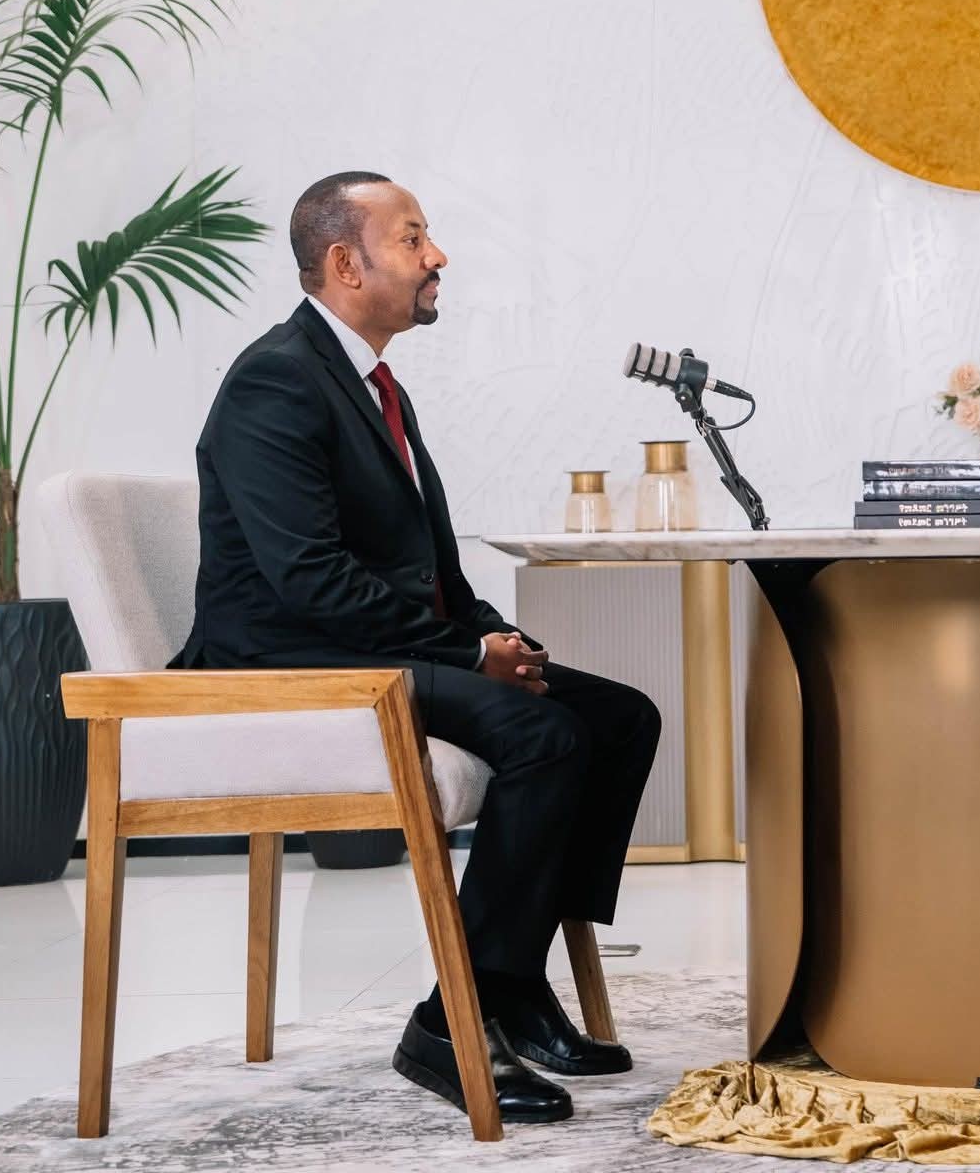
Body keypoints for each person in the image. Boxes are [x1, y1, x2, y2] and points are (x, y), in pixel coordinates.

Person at [173, 171, 661, 1124]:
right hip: (292, 663)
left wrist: (495, 637)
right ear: (345, 264)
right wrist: (471, 658)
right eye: (412, 238)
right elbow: (310, 580)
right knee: (544, 736)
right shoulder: (276, 381)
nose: (437, 256)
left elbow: (427, 570)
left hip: (369, 648)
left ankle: (512, 984)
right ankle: (451, 1022)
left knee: (618, 716)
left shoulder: (372, 384)